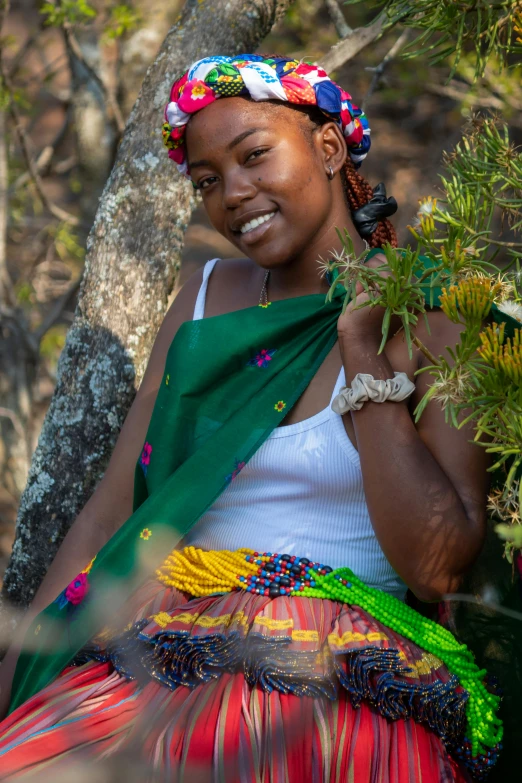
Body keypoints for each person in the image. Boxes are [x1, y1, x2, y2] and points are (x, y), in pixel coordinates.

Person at [0, 54, 503, 782]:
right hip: (169, 646)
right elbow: (111, 512)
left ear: (328, 147)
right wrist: (20, 664)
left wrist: (361, 348)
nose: (233, 194)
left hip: (343, 677)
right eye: (207, 181)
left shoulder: (439, 320)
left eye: (254, 155)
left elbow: (434, 565)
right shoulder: (204, 299)